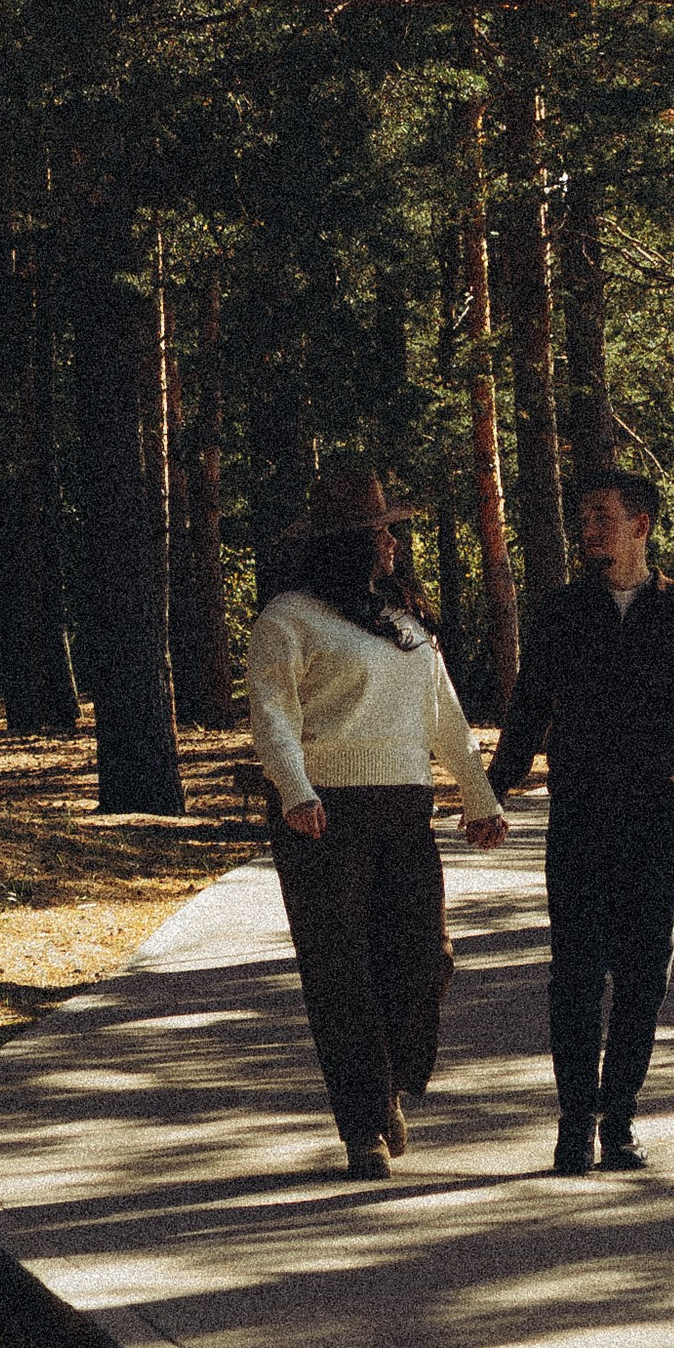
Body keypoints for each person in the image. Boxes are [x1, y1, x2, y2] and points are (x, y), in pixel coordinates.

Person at [244, 465, 510, 1182]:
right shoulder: (287, 619)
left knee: (426, 961)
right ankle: (363, 1126)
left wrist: (479, 798)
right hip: (322, 816)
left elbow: (445, 718)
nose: (394, 541)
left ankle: (387, 1081)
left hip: (405, 810)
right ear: (348, 542)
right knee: (342, 973)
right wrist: (294, 790)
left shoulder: (404, 624)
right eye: (382, 531)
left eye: (393, 529)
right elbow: (272, 714)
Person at [488, 468, 674, 1176]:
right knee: (575, 973)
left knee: (643, 976)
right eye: (583, 517)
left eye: (600, 517)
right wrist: (494, 790)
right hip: (580, 816)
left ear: (640, 525)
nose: (586, 530)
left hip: (654, 818)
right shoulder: (563, 612)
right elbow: (528, 709)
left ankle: (618, 1121)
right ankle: (573, 1124)